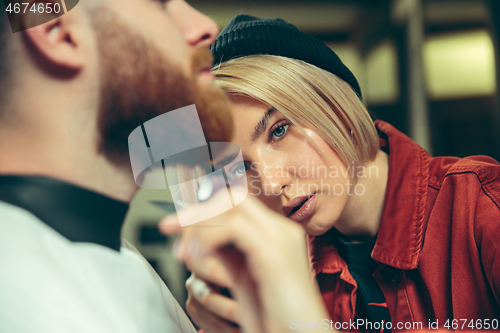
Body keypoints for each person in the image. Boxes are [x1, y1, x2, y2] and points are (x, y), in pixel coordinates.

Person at [160, 14, 500, 333]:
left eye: (278, 130)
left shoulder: (483, 207)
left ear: (335, 105)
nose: (272, 181)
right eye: (240, 167)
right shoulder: (288, 263)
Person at [0, 0, 234, 332]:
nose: (206, 26)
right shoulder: (27, 301)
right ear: (58, 32)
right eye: (162, 4)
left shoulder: (116, 259)